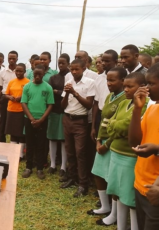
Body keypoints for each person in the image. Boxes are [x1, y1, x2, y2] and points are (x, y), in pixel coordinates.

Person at [101, 72, 148, 230]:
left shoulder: (145, 105)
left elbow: (127, 126)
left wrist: (116, 125)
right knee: (117, 192)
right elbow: (111, 126)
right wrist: (117, 126)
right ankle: (120, 226)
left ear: (142, 87)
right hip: (116, 153)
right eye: (125, 86)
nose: (125, 89)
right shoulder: (123, 103)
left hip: (130, 157)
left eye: (130, 86)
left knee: (129, 197)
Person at [87, 67, 127, 226]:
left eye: (112, 80)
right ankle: (105, 206)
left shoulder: (125, 99)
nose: (109, 83)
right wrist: (98, 139)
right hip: (102, 141)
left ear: (123, 81)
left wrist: (106, 144)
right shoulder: (110, 96)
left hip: (113, 144)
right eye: (107, 80)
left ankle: (114, 214)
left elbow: (118, 126)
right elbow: (105, 122)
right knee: (98, 173)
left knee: (112, 179)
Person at [129, 63, 159, 230]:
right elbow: (134, 142)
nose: (147, 88)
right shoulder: (152, 109)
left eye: (151, 84)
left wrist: (156, 149)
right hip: (141, 185)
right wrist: (136, 110)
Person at [60, 59, 95, 197]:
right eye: (72, 69)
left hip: (80, 121)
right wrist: (67, 93)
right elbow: (63, 105)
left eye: (77, 69)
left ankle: (83, 184)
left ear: (84, 68)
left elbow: (88, 105)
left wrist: (74, 92)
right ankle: (72, 178)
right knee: (69, 151)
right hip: (67, 118)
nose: (74, 72)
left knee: (80, 152)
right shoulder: (68, 81)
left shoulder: (89, 83)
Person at [21, 65, 54, 179]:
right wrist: (31, 118)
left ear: (44, 74)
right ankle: (28, 167)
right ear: (33, 74)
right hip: (29, 119)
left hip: (42, 120)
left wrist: (41, 119)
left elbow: (50, 105)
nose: (38, 76)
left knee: (41, 144)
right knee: (29, 144)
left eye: (40, 74)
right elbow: (24, 103)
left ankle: (40, 168)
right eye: (36, 74)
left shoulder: (48, 87)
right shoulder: (27, 86)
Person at [47, 53, 70, 176]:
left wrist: (58, 91)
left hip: (65, 111)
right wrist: (60, 92)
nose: (61, 65)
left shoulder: (71, 77)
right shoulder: (53, 77)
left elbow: (70, 92)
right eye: (59, 63)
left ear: (68, 64)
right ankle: (52, 164)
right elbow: (50, 92)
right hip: (54, 110)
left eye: (63, 63)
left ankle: (63, 166)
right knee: (52, 138)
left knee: (63, 139)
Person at [5, 63, 30, 159]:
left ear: (24, 72)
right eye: (17, 71)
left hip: (22, 110)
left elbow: (29, 96)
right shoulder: (11, 82)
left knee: (21, 133)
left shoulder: (28, 82)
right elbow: (6, 94)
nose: (18, 73)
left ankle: (20, 154)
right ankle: (13, 153)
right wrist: (10, 97)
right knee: (12, 132)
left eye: (20, 71)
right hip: (11, 109)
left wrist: (22, 97)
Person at [0, 50, 18, 142]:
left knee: (14, 123)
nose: (11, 60)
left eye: (13, 58)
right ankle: (1, 142)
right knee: (2, 122)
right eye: (10, 58)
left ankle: (14, 144)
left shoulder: (20, 71)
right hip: (4, 99)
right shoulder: (2, 72)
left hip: (16, 100)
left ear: (17, 59)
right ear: (7, 59)